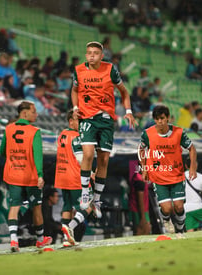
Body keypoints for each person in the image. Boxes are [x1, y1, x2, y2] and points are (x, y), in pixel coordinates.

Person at [71, 41, 136, 219]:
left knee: (104, 160)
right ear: (86, 55)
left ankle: (97, 199)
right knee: (88, 154)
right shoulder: (78, 70)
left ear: (101, 56)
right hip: (87, 118)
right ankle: (85, 192)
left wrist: (129, 111)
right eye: (89, 52)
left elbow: (124, 92)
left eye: (95, 53)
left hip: (107, 119)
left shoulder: (110, 70)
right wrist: (75, 108)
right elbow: (74, 90)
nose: (91, 55)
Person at [0, 101, 52, 252]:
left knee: (14, 206)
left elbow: (2, 151)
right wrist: (40, 175)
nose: (36, 114)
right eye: (33, 111)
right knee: (36, 207)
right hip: (30, 177)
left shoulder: (8, 129)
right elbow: (38, 156)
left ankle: (13, 241)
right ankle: (41, 240)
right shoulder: (34, 131)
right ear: (24, 113)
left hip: (13, 174)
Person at [139, 105, 197, 237]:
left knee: (179, 207)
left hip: (176, 175)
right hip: (158, 176)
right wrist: (144, 168)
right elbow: (141, 149)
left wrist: (193, 167)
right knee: (167, 208)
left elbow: (192, 148)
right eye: (157, 119)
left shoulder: (179, 132)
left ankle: (180, 230)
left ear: (168, 118)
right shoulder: (147, 134)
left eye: (162, 118)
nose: (160, 121)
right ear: (154, 119)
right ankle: (166, 219)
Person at [55, 110, 94, 246]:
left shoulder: (62, 135)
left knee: (67, 208)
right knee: (89, 206)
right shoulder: (77, 137)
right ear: (70, 121)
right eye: (78, 120)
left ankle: (66, 239)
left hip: (62, 177)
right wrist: (91, 173)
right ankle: (70, 227)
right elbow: (80, 159)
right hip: (75, 178)